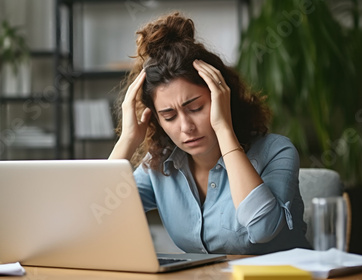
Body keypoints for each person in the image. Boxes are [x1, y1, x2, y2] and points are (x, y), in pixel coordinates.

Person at [109, 12, 311, 255]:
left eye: (195, 108)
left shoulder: (276, 151)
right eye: (169, 116)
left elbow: (262, 228)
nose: (186, 127)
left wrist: (224, 128)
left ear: (222, 98)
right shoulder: (160, 165)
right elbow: (97, 216)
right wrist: (128, 140)